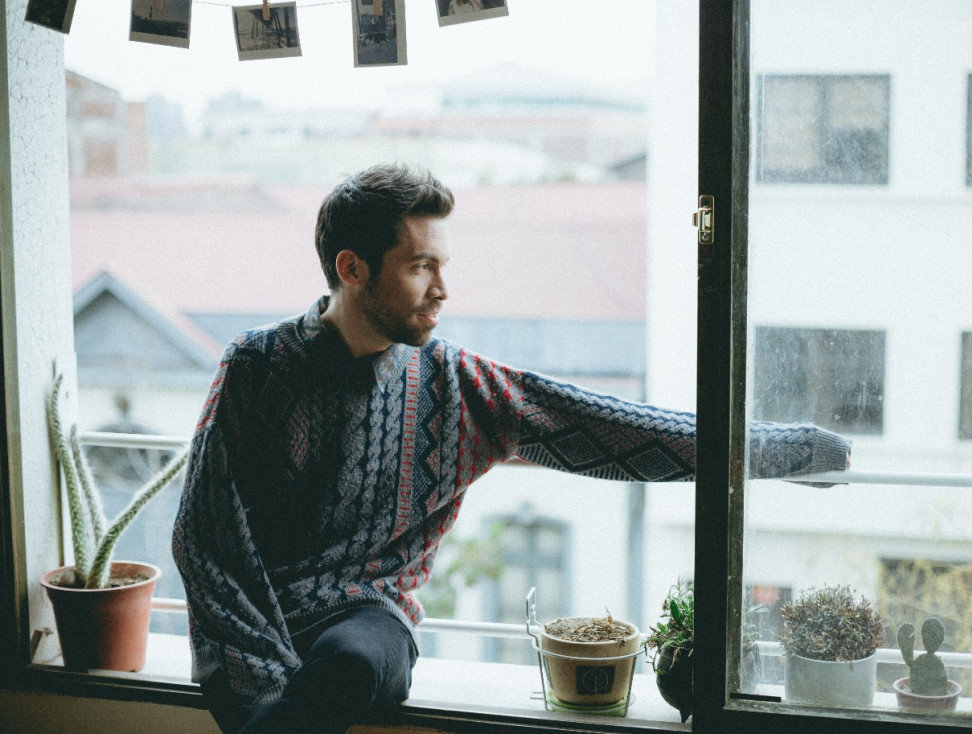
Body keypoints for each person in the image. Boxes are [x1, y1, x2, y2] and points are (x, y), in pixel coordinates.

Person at [172, 163, 852, 734]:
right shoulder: (258, 366)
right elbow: (204, 537)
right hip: (261, 616)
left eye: (442, 264)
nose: (442, 288)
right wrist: (259, 677)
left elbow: (613, 429)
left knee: (347, 663)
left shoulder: (455, 385)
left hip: (365, 621)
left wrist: (780, 453)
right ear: (353, 268)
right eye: (420, 266)